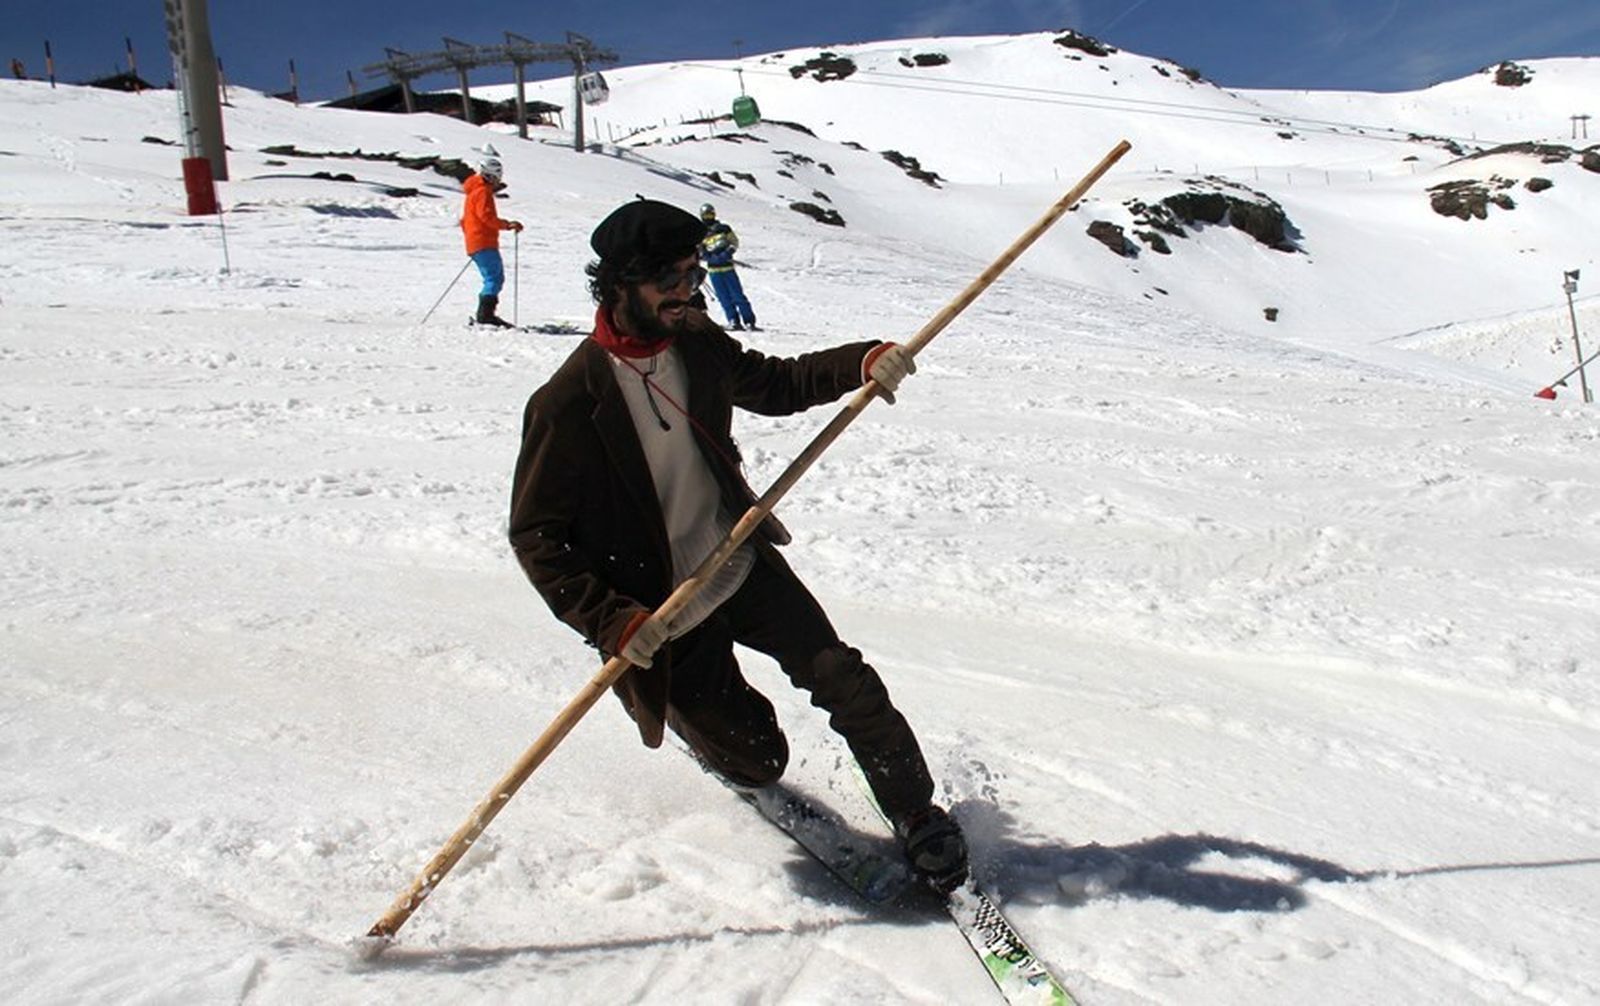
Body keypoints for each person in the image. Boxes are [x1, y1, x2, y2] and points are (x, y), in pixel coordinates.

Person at [507, 198, 967, 893]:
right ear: (622, 282)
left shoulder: (692, 337)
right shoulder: (568, 402)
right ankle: (711, 734)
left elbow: (773, 383)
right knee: (759, 760)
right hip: (660, 612)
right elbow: (537, 535)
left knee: (841, 676)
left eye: (695, 275)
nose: (688, 293)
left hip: (735, 558)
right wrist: (611, 622)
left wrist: (862, 362)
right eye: (672, 280)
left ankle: (917, 814)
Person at [460, 147, 523, 328]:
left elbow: (467, 220)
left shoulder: (474, 191)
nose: (498, 181)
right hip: (483, 242)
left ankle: (486, 314)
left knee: (492, 277)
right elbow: (486, 217)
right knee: (494, 278)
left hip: (476, 241)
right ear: (489, 175)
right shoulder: (482, 192)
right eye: (497, 176)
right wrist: (507, 224)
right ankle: (486, 315)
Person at [698, 203, 758, 331]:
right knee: (723, 297)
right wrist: (708, 257)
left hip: (727, 268)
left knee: (737, 295)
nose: (708, 217)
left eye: (710, 214)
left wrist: (727, 253)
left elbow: (734, 242)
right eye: (706, 215)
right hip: (714, 270)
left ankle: (749, 321)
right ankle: (733, 320)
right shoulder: (701, 232)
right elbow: (700, 251)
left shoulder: (723, 228)